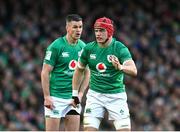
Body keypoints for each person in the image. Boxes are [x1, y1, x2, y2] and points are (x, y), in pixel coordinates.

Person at [72, 17, 137, 131]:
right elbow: (79, 70)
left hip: (116, 96)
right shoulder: (89, 49)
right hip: (95, 96)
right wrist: (74, 93)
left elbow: (133, 70)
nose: (98, 34)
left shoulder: (120, 48)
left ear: (110, 31)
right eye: (96, 30)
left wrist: (121, 67)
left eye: (102, 30)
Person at [41, 14, 90, 131]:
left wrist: (80, 94)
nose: (78, 30)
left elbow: (87, 73)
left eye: (80, 27)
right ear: (67, 28)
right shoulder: (56, 46)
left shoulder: (84, 47)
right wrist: (47, 96)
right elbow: (45, 72)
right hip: (55, 98)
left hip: (72, 99)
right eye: (75, 27)